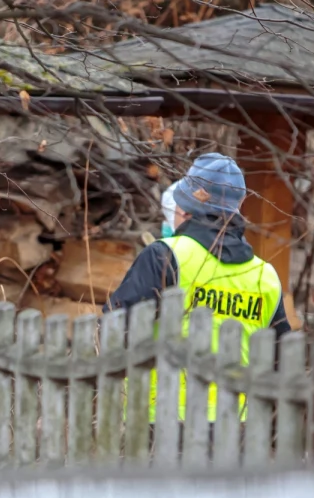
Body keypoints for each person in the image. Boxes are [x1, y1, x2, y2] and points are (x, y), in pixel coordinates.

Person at [105, 153, 290, 425]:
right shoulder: (266, 277)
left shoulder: (165, 256)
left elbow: (113, 330)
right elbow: (282, 363)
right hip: (238, 429)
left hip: (163, 424)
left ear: (186, 207)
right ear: (239, 206)